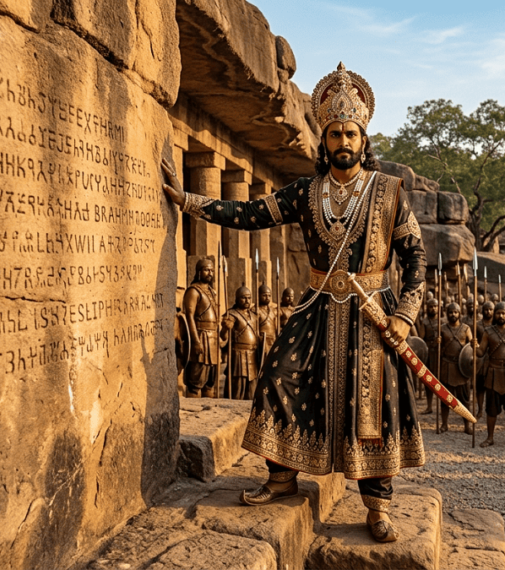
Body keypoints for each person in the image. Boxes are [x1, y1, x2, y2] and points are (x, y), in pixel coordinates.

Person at [160, 63, 428, 542]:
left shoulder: (390, 193)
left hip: (373, 312)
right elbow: (248, 212)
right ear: (323, 141)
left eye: (351, 132)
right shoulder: (306, 193)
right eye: (334, 134)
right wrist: (188, 200)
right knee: (279, 377)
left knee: (372, 401)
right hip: (316, 307)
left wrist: (405, 316)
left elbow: (415, 258)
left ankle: (377, 504)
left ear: (363, 138)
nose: (343, 141)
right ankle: (282, 477)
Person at [476, 302, 505, 448]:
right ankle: (490, 438)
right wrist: (474, 346)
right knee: (491, 409)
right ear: (494, 315)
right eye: (498, 313)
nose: (500, 315)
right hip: (493, 374)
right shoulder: (488, 332)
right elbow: (480, 353)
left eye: (503, 313)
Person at [182, 258, 220, 398]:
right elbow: (189, 316)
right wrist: (196, 341)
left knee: (210, 382)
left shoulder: (212, 292)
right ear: (199, 272)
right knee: (195, 382)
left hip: (213, 340)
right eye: (206, 270)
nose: (210, 273)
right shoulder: (193, 291)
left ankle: (209, 415)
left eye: (211, 270)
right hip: (201, 337)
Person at [220, 287, 261, 400]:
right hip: (239, 355)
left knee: (252, 388)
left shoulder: (254, 316)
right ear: (237, 299)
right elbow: (223, 336)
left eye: (249, 298)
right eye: (243, 298)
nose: (247, 301)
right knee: (238, 386)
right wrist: (225, 328)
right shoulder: (232, 315)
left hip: (253, 354)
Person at [440, 303, 473, 435]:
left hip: (461, 367)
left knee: (464, 399)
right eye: (451, 312)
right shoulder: (442, 328)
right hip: (447, 366)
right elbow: (438, 349)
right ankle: (444, 424)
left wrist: (474, 344)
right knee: (445, 398)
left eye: (456, 312)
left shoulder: (466, 328)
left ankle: (467, 425)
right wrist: (436, 342)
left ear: (460, 313)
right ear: (447, 313)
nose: (453, 314)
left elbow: (471, 346)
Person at [417, 298, 441, 415]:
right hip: (429, 354)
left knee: (442, 380)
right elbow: (421, 340)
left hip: (440, 354)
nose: (433, 308)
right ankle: (430, 405)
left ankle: (443, 406)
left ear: (438, 307)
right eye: (431, 306)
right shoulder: (425, 322)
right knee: (428, 380)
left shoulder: (443, 322)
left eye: (435, 306)